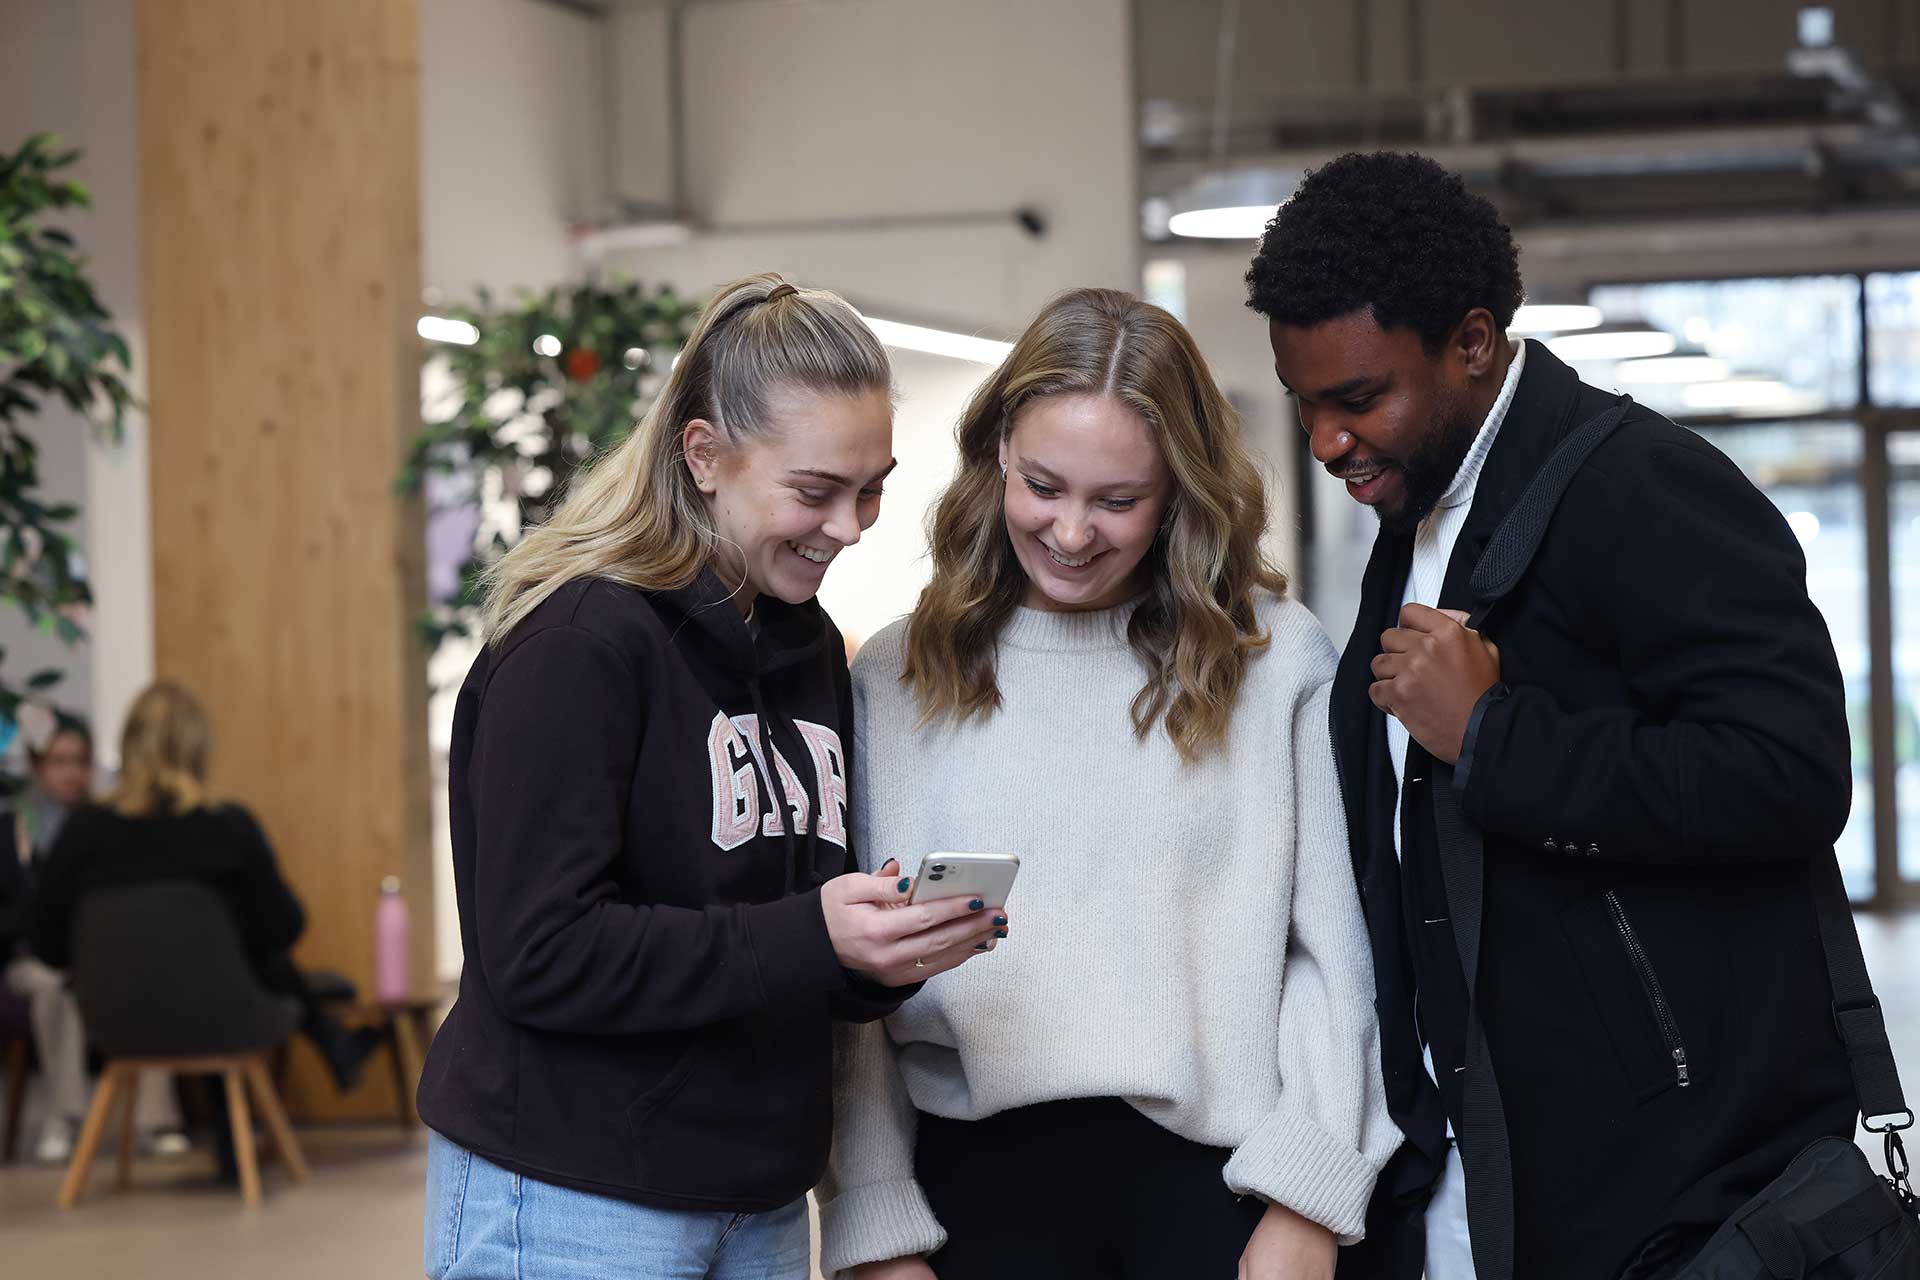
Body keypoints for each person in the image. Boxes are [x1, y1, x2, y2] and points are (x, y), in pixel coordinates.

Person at [1246, 150, 1859, 1280]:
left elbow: (1792, 770)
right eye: (1306, 403)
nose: (1327, 440)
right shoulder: (1425, 522)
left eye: (1358, 397)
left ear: (1472, 343)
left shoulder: (1643, 486)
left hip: (1681, 1187)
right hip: (1499, 1179)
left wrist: (1494, 736)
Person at [414, 273, 1001, 1280]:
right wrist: (812, 931)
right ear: (704, 456)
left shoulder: (810, 646)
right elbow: (538, 952)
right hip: (572, 1190)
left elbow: (763, 930)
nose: (850, 524)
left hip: (757, 1197)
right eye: (815, 490)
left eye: (873, 488)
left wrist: (874, 954)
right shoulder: (579, 645)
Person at [818, 287, 1399, 1280]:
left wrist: (1309, 1194)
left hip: (1219, 1193)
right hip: (974, 1195)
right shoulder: (900, 672)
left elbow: (1337, 957)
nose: (1072, 531)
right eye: (1044, 484)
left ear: (1179, 489)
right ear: (997, 449)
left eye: (1117, 500)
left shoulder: (1276, 662)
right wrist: (873, 1222)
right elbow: (862, 985)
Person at [29, 684, 381, 1112]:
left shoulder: (83, 831)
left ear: (128, 745)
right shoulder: (227, 828)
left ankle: (326, 1049)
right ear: (198, 750)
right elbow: (286, 926)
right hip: (220, 1014)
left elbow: (47, 944)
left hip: (115, 1022)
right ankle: (330, 1045)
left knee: (212, 949)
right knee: (234, 949)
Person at [0, 711, 183, 1162]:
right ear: (39, 766)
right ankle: (65, 1117)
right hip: (33, 959)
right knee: (57, 988)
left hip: (97, 952)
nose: (71, 773)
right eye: (60, 761)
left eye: (80, 762)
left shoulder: (106, 828)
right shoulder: (12, 832)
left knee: (141, 978)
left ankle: (154, 1120)